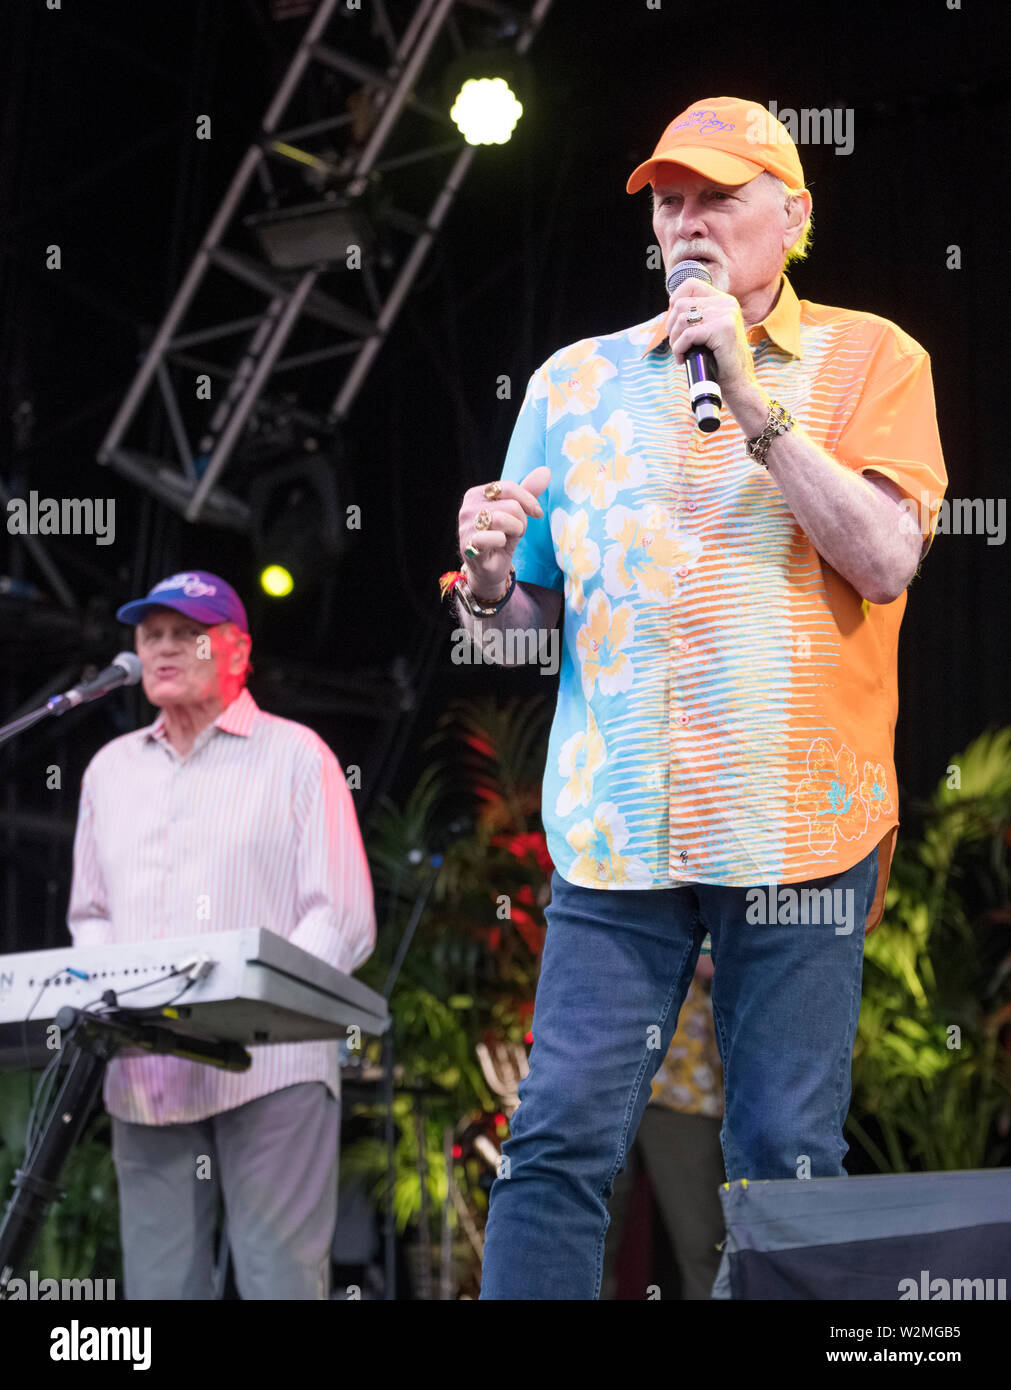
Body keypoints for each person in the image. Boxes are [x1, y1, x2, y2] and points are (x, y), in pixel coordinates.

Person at [449, 96, 947, 1300]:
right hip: (619, 834)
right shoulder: (573, 384)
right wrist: (485, 581)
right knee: (556, 1139)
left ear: (795, 215)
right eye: (669, 201)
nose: (686, 222)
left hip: (800, 827)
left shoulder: (875, 357)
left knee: (784, 1156)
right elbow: (524, 631)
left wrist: (751, 398)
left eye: (717, 195)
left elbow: (884, 559)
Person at [67, 570, 375, 1299]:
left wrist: (259, 1013)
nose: (165, 648)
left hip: (272, 1071)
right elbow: (91, 916)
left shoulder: (297, 755)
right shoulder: (108, 772)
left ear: (238, 652)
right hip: (146, 1076)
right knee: (156, 1291)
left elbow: (342, 915)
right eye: (151, 636)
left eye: (188, 634)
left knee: (279, 1283)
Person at [601, 953, 725, 1300]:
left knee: (704, 1243)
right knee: (588, 1236)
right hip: (603, 1069)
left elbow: (717, 959)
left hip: (681, 1078)